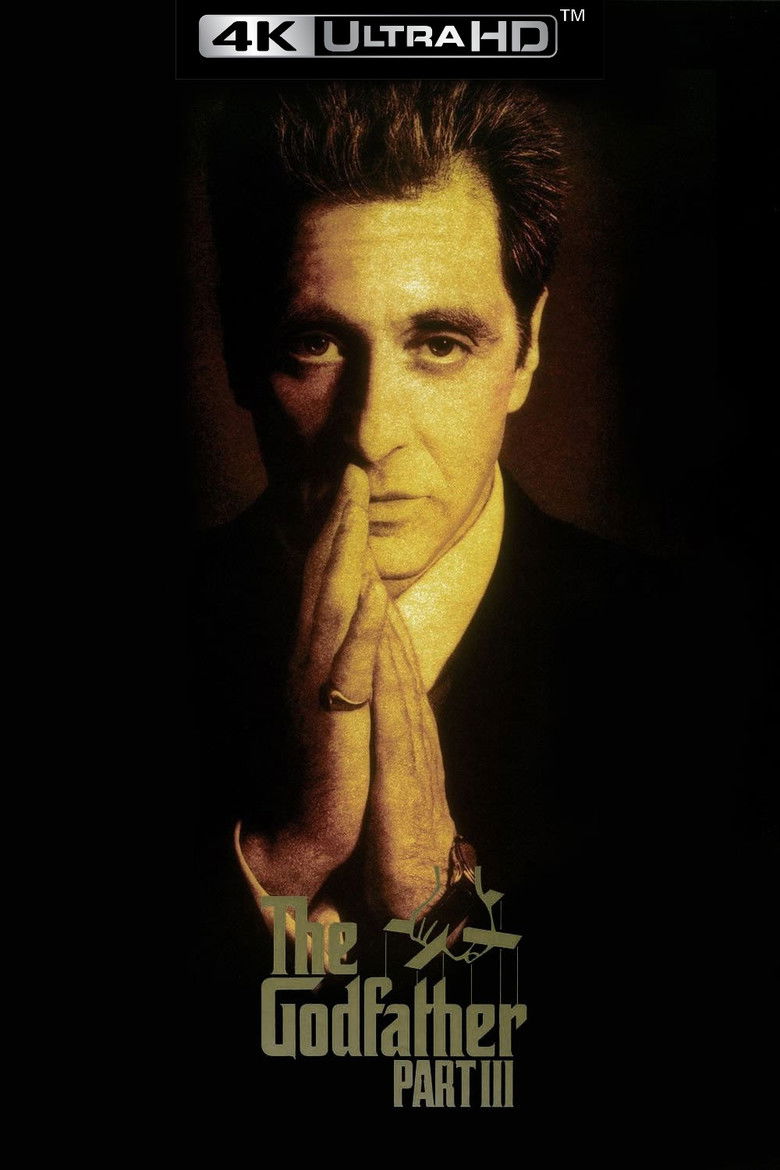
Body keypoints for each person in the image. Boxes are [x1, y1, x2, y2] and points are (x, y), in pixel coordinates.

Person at [188, 81, 773, 1147]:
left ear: (528, 349)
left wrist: (441, 919)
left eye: (440, 343)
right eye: (315, 343)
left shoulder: (714, 665)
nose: (371, 431)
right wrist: (280, 866)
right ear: (236, 350)